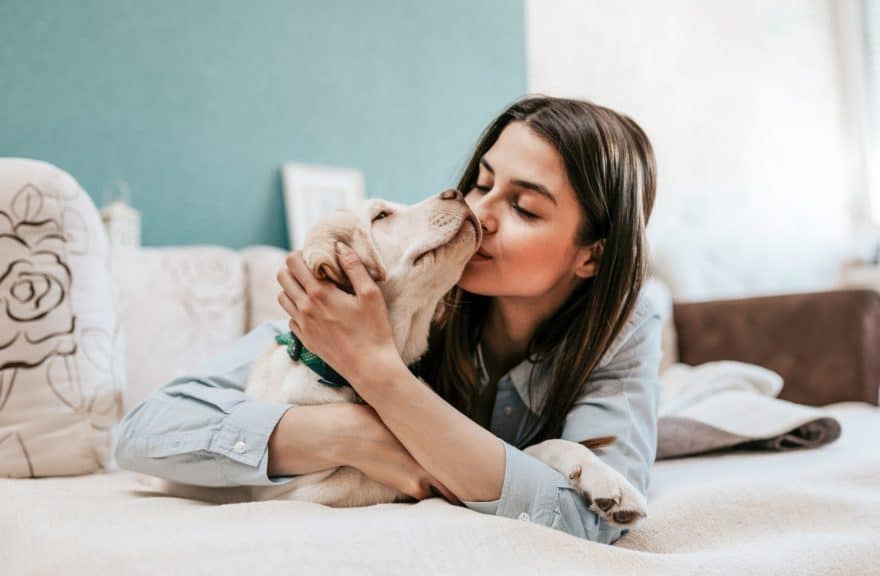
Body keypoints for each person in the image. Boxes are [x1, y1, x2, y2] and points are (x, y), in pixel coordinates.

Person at [114, 95, 662, 544]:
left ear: (592, 254)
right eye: (483, 182)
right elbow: (144, 432)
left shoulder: (625, 327)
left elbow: (592, 520)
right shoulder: (402, 292)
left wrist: (380, 373)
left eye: (524, 208)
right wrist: (353, 434)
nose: (481, 211)